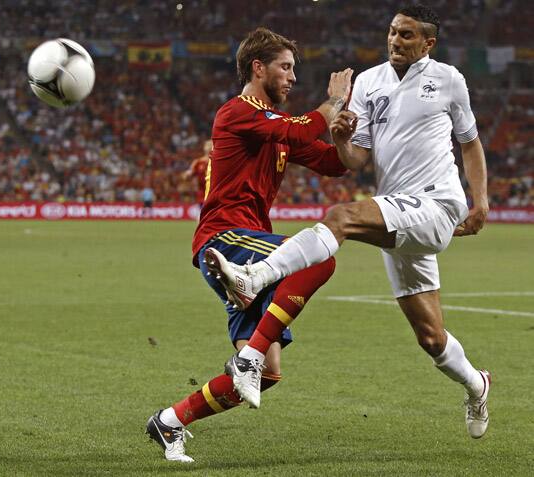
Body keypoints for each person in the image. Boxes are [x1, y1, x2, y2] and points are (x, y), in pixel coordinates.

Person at [206, 5, 492, 439]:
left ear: (428, 43)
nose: (396, 40)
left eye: (408, 35)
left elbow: (470, 143)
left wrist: (481, 201)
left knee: (341, 216)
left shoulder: (449, 79)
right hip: (397, 209)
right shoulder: (370, 82)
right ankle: (477, 384)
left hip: (437, 203)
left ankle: (256, 275)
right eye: (393, 32)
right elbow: (353, 160)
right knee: (431, 338)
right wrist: (340, 137)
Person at [145, 27, 353, 462]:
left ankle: (169, 422)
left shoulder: (273, 128)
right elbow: (299, 132)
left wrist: (342, 133)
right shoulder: (237, 112)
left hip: (244, 250)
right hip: (225, 240)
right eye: (286, 67)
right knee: (320, 256)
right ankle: (247, 358)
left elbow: (334, 164)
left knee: (270, 373)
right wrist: (332, 103)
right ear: (258, 68)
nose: (293, 77)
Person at [183, 139, 212, 206]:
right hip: (202, 194)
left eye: (211, 145)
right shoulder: (198, 162)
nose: (209, 147)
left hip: (214, 193)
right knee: (203, 214)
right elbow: (189, 173)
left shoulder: (217, 161)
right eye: (208, 145)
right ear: (204, 148)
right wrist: (187, 175)